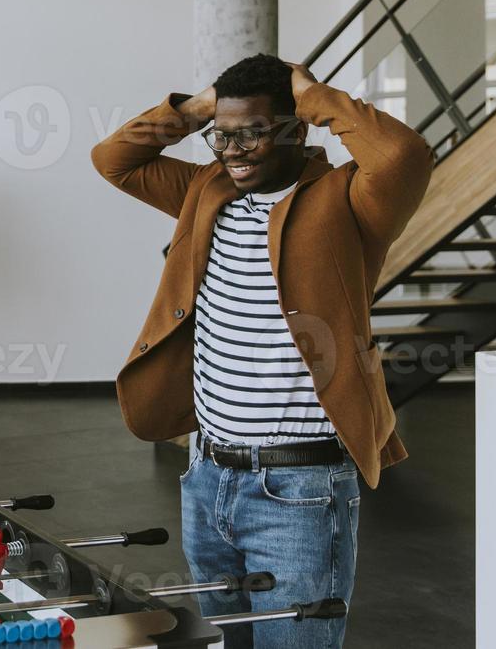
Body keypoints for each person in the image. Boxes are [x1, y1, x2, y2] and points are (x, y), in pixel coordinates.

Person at [90, 53, 432, 649]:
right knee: (225, 642)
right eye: (223, 135)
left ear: (296, 128)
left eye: (253, 133)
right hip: (206, 475)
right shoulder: (205, 188)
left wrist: (316, 95)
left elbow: (404, 156)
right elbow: (113, 159)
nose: (235, 150)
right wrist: (200, 107)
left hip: (300, 487)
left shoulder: (349, 199)